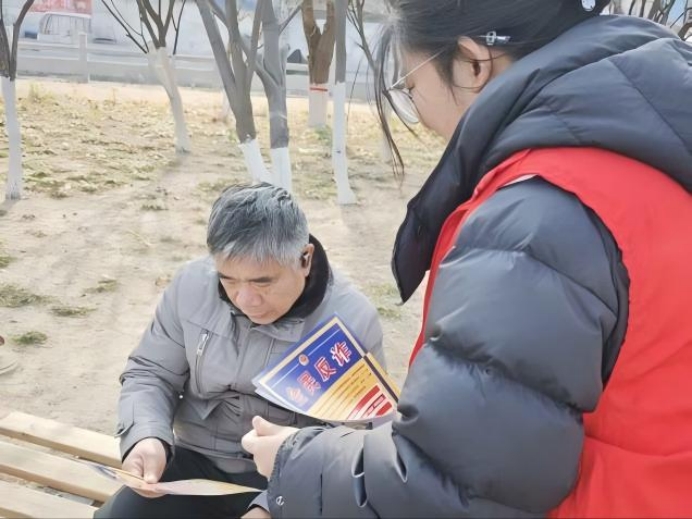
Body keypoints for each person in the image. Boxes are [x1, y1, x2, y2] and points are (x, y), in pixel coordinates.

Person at [241, 1, 692, 517]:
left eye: (410, 85)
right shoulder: (651, 151)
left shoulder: (538, 217)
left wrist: (294, 460)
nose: (417, 110)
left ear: (472, 63)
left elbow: (453, 488)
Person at [95, 183, 385, 519]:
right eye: (229, 280)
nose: (246, 299)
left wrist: (271, 506)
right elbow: (151, 372)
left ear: (304, 259)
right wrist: (147, 436)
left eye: (263, 282)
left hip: (295, 478)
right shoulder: (192, 286)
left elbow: (353, 442)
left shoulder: (349, 320)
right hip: (195, 463)